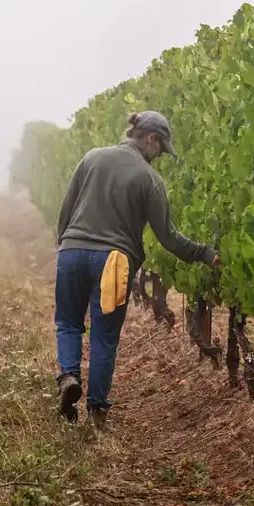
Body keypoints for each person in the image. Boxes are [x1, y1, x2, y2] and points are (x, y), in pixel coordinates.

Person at [54, 111, 220, 430]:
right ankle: (97, 413)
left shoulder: (91, 158)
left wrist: (64, 245)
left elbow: (66, 210)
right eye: (161, 149)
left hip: (71, 250)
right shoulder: (149, 179)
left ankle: (69, 376)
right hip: (113, 261)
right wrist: (205, 253)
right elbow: (168, 237)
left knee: (67, 322)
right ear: (150, 139)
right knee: (104, 337)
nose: (159, 157)